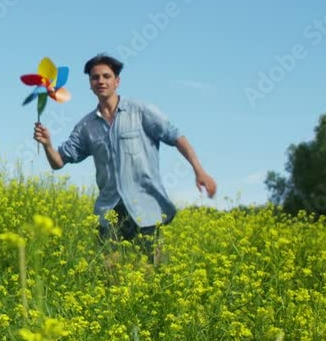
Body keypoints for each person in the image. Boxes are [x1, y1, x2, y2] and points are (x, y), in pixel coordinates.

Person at [33, 53, 216, 263]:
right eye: (95, 78)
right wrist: (47, 144)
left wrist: (199, 170)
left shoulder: (141, 111)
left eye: (106, 76)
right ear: (90, 85)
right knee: (110, 275)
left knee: (151, 272)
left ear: (117, 81)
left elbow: (176, 137)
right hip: (109, 210)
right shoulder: (86, 126)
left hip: (145, 207)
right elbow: (59, 162)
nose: (100, 81)